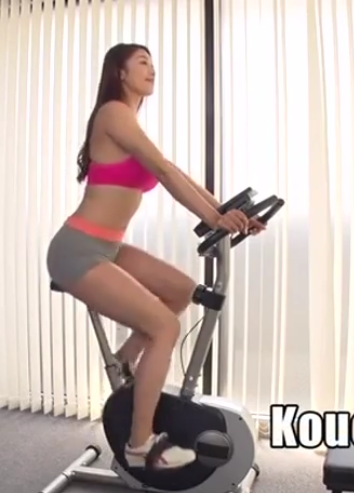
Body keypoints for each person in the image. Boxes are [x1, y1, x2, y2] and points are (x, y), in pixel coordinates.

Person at [45, 43, 264, 470]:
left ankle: (125, 363)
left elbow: (175, 172)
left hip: (108, 247)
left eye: (153, 63)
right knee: (165, 327)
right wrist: (216, 219)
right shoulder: (113, 113)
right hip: (77, 250)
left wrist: (230, 214)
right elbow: (163, 172)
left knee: (181, 291)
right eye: (142, 62)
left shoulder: (129, 122)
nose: (152, 69)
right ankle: (139, 446)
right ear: (120, 73)